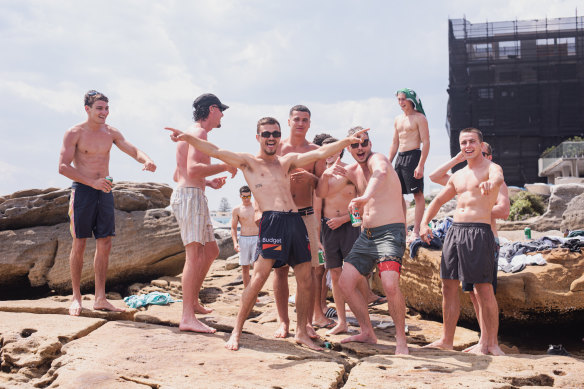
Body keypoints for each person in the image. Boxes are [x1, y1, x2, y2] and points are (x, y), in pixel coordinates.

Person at [165, 117, 367, 351]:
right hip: (273, 222)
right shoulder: (249, 162)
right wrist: (186, 137)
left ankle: (301, 331)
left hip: (295, 221)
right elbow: (215, 150)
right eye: (266, 134)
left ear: (279, 137)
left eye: (275, 134)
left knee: (306, 279)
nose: (271, 138)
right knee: (259, 278)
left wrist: (346, 141)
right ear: (259, 137)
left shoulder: (286, 161)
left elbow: (319, 154)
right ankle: (237, 331)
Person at [58, 90, 157, 316]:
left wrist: (147, 159)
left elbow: (131, 148)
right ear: (88, 109)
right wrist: (92, 183)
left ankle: (100, 298)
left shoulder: (110, 132)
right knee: (79, 243)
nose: (104, 112)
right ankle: (76, 297)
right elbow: (63, 167)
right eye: (99, 108)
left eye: (106, 108)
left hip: (105, 191)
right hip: (83, 190)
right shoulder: (74, 132)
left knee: (105, 243)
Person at [421, 128, 505, 356]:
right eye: (463, 142)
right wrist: (423, 223)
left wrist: (492, 184)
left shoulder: (491, 169)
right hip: (455, 231)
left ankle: (492, 344)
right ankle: (446, 340)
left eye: (472, 142)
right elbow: (438, 200)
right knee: (448, 286)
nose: (467, 146)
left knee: (483, 289)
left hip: (478, 232)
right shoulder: (458, 175)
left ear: (480, 144)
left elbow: (498, 178)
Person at [337, 126, 410, 355]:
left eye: (365, 142)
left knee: (389, 284)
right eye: (355, 144)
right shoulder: (352, 170)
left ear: (370, 143)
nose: (361, 148)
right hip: (367, 236)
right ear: (348, 148)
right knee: (344, 283)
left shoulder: (378, 159)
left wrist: (366, 196)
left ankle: (401, 340)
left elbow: (379, 173)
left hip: (389, 232)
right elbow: (325, 172)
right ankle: (368, 332)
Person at [169, 93, 237, 334]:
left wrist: (209, 183)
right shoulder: (199, 133)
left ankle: (193, 301)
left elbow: (180, 174)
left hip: (191, 193)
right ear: (212, 109)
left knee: (211, 250)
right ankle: (186, 316)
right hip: (189, 197)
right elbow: (192, 169)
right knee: (195, 254)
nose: (222, 116)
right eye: (221, 110)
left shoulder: (191, 133)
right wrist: (227, 164)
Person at [274, 105, 331, 338]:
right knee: (279, 271)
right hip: (279, 214)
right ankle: (282, 321)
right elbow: (262, 178)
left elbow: (323, 187)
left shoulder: (315, 151)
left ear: (309, 124)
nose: (300, 123)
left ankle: (306, 322)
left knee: (307, 273)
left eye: (304, 120)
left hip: (306, 215)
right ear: (288, 122)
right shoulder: (276, 148)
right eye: (296, 119)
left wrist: (311, 177)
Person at [316, 136, 370, 335]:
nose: (330, 153)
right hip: (328, 229)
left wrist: (345, 219)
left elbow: (364, 202)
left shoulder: (352, 170)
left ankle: (364, 319)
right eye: (326, 149)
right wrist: (317, 237)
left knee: (357, 274)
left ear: (340, 150)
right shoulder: (321, 174)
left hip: (349, 226)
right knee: (335, 274)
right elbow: (319, 201)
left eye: (334, 149)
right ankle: (341, 321)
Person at [388, 88, 430, 243]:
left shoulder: (420, 118)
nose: (401, 103)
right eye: (399, 99)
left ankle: (416, 231)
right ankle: (404, 229)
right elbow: (394, 142)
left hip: (414, 156)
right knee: (397, 193)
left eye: (403, 99)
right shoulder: (398, 119)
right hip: (400, 156)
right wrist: (388, 161)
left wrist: (420, 165)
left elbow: (426, 142)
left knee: (417, 194)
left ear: (411, 100)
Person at [230, 185, 259, 289]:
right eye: (244, 197)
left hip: (257, 238)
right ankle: (247, 292)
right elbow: (233, 228)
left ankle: (255, 292)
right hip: (243, 239)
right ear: (240, 196)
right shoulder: (236, 209)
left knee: (257, 267)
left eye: (248, 196)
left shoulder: (257, 206)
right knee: (245, 268)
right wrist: (235, 243)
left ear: (251, 195)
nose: (246, 199)